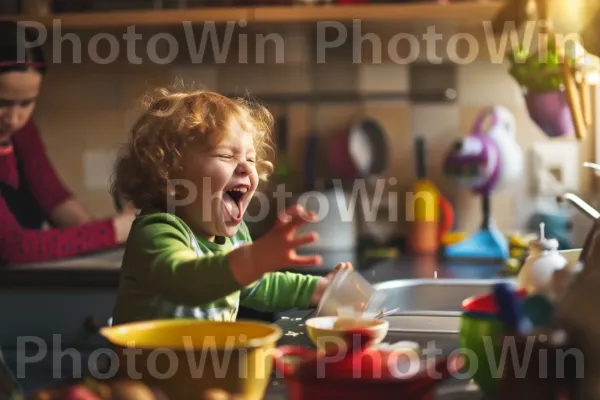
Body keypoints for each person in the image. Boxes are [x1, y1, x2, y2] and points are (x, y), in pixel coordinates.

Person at [110, 88, 352, 325]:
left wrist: (319, 290)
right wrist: (255, 259)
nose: (246, 167)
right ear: (170, 176)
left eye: (251, 159)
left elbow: (257, 284)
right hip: (148, 365)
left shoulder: (236, 240)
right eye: (226, 156)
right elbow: (186, 280)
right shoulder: (157, 230)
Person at [0, 21, 136, 265]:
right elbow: (13, 247)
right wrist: (115, 229)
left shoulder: (21, 131)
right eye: (3, 103)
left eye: (26, 103)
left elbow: (54, 201)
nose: (14, 118)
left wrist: (122, 230)